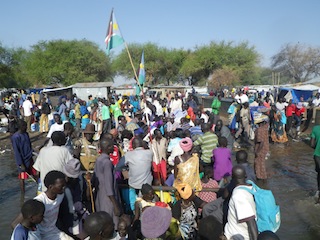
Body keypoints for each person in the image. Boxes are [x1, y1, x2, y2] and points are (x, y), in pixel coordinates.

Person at [12, 171, 72, 240]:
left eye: (64, 185)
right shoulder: (39, 202)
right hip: (39, 235)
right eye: (61, 186)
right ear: (51, 187)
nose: (64, 188)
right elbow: (15, 224)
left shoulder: (61, 195)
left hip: (54, 232)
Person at [93, 137, 121, 228]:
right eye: (112, 146)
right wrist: (115, 205)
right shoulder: (107, 163)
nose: (114, 148)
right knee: (111, 225)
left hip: (100, 196)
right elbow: (109, 186)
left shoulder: (99, 160)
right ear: (108, 147)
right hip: (108, 199)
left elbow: (94, 179)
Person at [224, 165, 258, 240]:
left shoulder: (238, 195)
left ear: (232, 177)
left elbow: (251, 222)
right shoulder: (250, 187)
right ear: (245, 175)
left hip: (238, 235)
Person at [124, 137, 153, 211]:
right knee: (144, 207)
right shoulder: (149, 153)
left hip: (133, 184)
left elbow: (119, 166)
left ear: (133, 146)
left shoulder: (128, 154)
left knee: (134, 206)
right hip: (146, 185)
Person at [11, 119, 36, 193]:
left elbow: (29, 145)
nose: (26, 127)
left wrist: (33, 152)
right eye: (24, 126)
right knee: (22, 177)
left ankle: (39, 188)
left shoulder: (26, 134)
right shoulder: (15, 137)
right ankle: (23, 193)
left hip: (29, 157)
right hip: (22, 160)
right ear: (20, 127)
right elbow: (17, 152)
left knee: (35, 173)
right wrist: (21, 164)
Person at [311, 124, 320, 203]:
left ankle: (318, 191)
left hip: (317, 155)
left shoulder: (315, 128)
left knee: (319, 174)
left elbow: (312, 144)